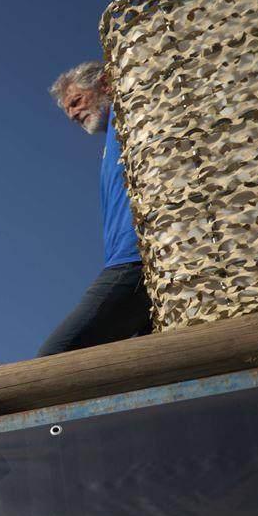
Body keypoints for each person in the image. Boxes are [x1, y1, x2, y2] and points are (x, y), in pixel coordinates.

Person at [37, 60, 152, 357]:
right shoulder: (111, 143)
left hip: (134, 262)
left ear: (104, 84)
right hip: (128, 263)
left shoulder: (128, 114)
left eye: (76, 101)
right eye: (68, 110)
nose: (73, 114)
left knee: (52, 359)